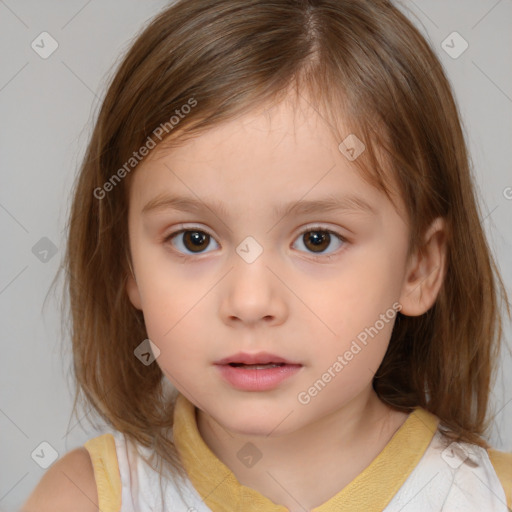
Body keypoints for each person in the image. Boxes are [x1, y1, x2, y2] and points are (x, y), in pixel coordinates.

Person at [22, 0, 512, 511]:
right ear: (128, 263)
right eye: (194, 240)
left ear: (419, 267)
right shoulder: (87, 498)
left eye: (318, 240)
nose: (251, 302)